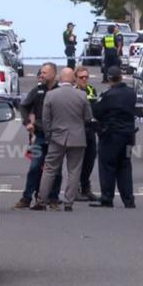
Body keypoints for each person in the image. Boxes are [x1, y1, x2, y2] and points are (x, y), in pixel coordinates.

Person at [32, 68, 93, 212]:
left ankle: (42, 200)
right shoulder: (82, 95)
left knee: (49, 169)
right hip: (77, 137)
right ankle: (68, 202)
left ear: (60, 78)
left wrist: (48, 135)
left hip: (57, 137)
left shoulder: (51, 95)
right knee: (74, 170)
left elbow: (46, 119)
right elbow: (88, 117)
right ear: (73, 79)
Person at [13, 63, 62, 210]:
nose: (42, 75)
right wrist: (27, 122)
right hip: (39, 136)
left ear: (54, 74)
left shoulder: (60, 91)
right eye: (41, 73)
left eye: (45, 73)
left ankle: (53, 199)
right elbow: (24, 106)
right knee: (34, 167)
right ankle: (27, 198)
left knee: (56, 170)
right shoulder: (38, 90)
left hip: (56, 137)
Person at [90, 66, 136, 209]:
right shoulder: (131, 93)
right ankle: (128, 200)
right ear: (121, 77)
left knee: (107, 166)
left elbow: (97, 112)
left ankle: (107, 197)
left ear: (109, 79)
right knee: (125, 166)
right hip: (129, 135)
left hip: (111, 136)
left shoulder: (108, 95)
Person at [73, 65, 99, 202]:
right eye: (81, 77)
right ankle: (75, 188)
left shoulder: (91, 90)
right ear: (75, 78)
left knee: (89, 161)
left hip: (90, 131)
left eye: (86, 77)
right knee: (77, 162)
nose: (84, 79)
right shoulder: (72, 91)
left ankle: (85, 187)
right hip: (77, 131)